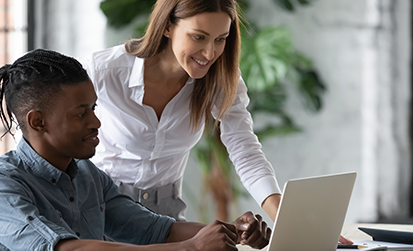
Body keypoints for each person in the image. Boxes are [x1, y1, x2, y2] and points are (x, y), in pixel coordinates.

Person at [0, 49, 272, 251]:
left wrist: (232, 232)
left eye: (94, 109)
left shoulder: (88, 175)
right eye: (81, 113)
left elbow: (154, 229)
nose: (96, 122)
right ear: (37, 121)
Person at [84, 0, 282, 222]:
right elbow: (56, 139)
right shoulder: (103, 71)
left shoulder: (220, 78)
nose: (209, 53)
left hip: (167, 217)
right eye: (199, 37)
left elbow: (245, 150)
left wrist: (285, 220)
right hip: (99, 209)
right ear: (168, 26)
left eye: (220, 40)